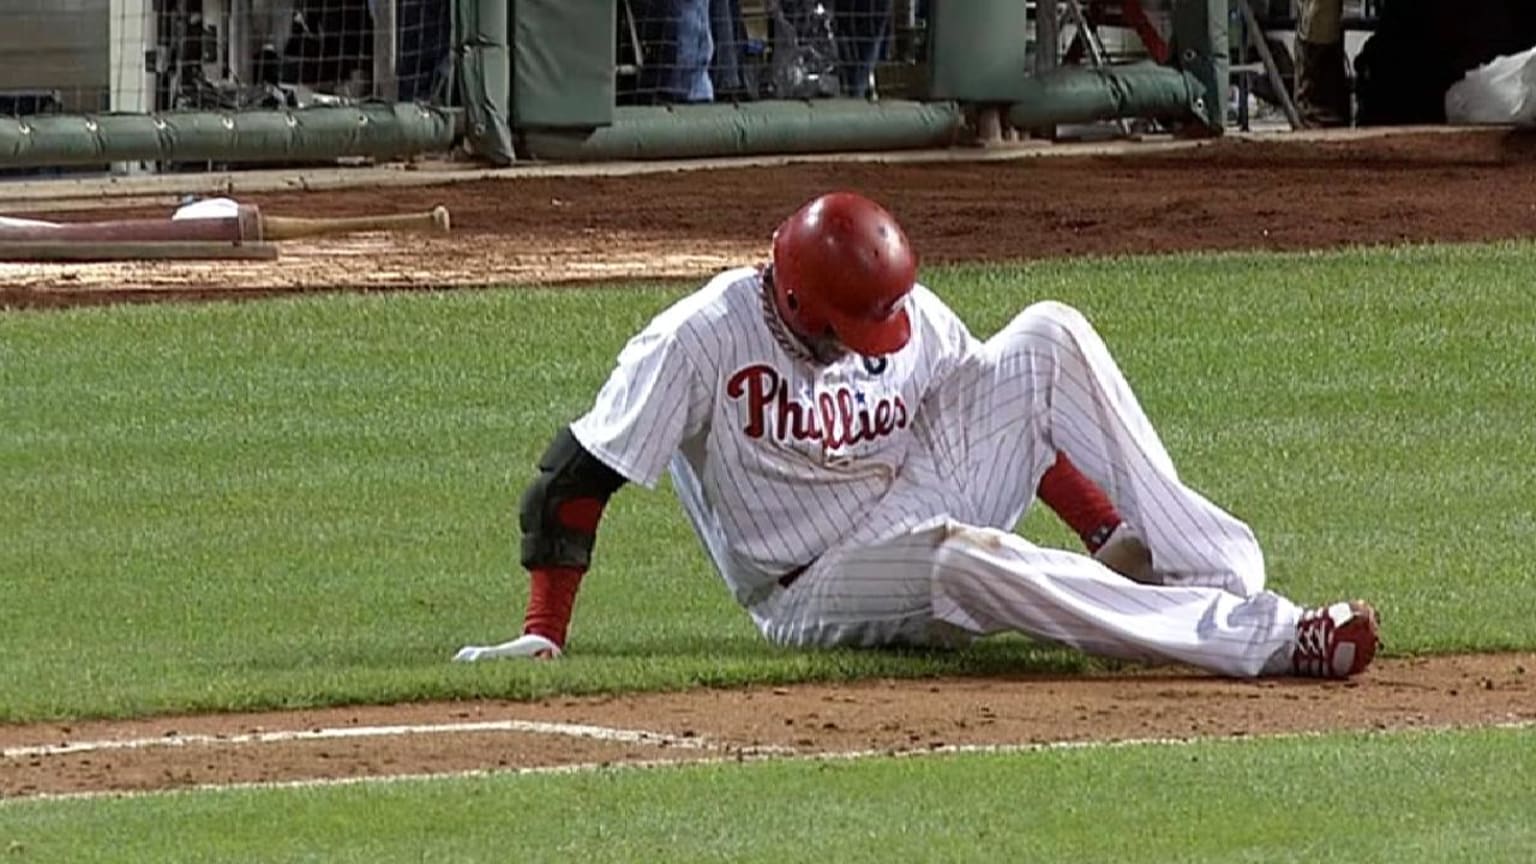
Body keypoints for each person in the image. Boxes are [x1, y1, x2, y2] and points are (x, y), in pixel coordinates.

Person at [453, 192, 1380, 680]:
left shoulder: (905, 312)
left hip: (908, 500)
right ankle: (1261, 639)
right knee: (956, 561)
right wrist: (545, 633)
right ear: (794, 296)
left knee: (1048, 333)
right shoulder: (697, 340)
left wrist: (1103, 532)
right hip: (809, 583)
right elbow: (571, 481)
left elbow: (1017, 422)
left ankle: (1207, 569)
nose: (869, 343)